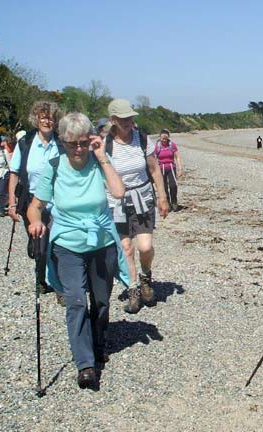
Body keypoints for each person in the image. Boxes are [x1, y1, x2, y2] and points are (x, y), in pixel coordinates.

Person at [27, 112, 129, 390]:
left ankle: (98, 343)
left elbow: (119, 192)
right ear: (63, 142)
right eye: (72, 143)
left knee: (101, 302)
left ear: (90, 140)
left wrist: (103, 156)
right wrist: (35, 221)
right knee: (75, 301)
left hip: (102, 244)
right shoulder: (55, 166)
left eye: (83, 142)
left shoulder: (98, 162)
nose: (79, 149)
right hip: (67, 245)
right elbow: (35, 205)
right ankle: (85, 364)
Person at [106, 98, 169, 313]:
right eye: (122, 118)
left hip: (143, 199)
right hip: (116, 202)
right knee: (126, 248)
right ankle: (133, 289)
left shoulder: (142, 140)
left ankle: (146, 276)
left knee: (145, 246)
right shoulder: (105, 144)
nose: (127, 121)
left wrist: (162, 197)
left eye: (130, 117)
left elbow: (154, 170)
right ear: (113, 120)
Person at [7, 101, 64, 302]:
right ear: (36, 119)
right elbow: (14, 173)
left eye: (50, 117)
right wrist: (12, 202)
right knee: (39, 245)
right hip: (31, 202)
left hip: (57, 202)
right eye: (43, 116)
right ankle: (41, 278)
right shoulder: (25, 143)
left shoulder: (62, 142)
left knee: (56, 244)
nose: (47, 120)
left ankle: (60, 287)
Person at [155, 129, 182, 211]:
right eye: (162, 138)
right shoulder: (157, 146)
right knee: (164, 187)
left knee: (173, 185)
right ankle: (167, 203)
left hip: (171, 167)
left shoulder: (172, 145)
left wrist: (180, 169)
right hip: (161, 168)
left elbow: (177, 157)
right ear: (159, 137)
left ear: (168, 138)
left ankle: (174, 202)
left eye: (166, 138)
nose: (164, 140)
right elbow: (153, 158)